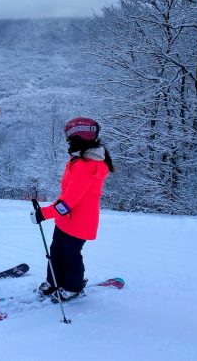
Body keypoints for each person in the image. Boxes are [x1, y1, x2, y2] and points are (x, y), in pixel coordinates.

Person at [31, 116, 114, 301]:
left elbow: (68, 202)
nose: (68, 144)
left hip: (80, 221)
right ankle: (54, 282)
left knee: (70, 254)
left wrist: (44, 213)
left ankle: (73, 287)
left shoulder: (87, 166)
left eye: (70, 140)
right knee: (56, 251)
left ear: (79, 138)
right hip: (66, 220)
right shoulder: (78, 161)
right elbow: (66, 198)